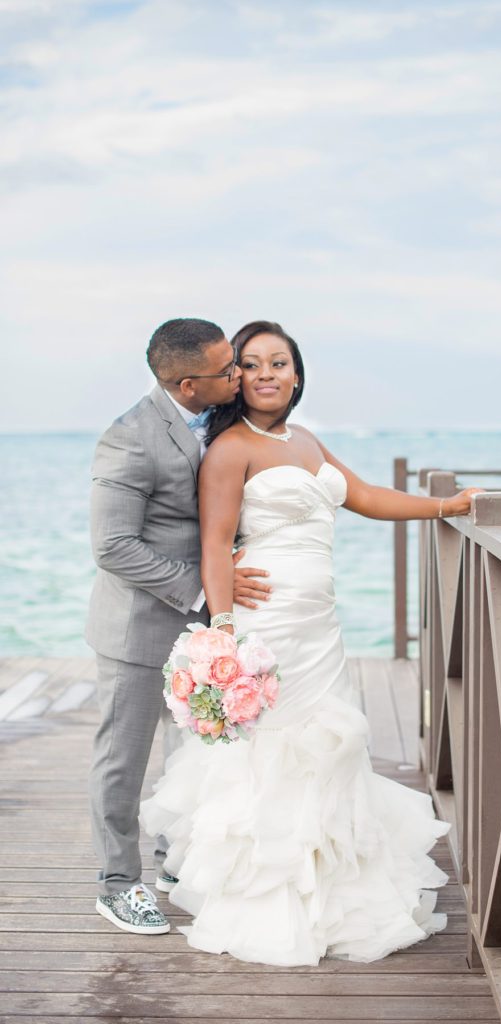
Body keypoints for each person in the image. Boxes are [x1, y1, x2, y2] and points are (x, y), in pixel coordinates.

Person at [140, 320, 483, 964]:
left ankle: (333, 882)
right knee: (275, 749)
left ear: (297, 374)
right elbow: (215, 543)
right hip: (266, 624)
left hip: (319, 624)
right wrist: (221, 632)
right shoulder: (230, 449)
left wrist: (450, 506)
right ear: (234, 378)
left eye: (279, 362)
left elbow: (368, 496)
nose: (266, 373)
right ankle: (268, 891)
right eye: (252, 363)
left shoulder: (307, 440)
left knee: (332, 743)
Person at [87, 318, 272, 936]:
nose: (240, 375)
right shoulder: (129, 438)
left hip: (206, 629)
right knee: (124, 761)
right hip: (139, 629)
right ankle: (118, 885)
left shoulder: (220, 419)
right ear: (189, 384)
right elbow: (112, 546)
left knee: (190, 755)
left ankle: (175, 864)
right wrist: (199, 586)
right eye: (229, 370)